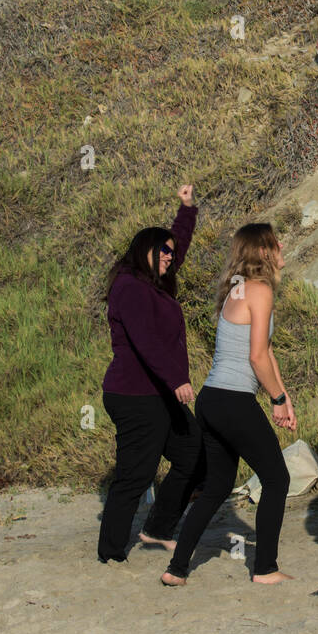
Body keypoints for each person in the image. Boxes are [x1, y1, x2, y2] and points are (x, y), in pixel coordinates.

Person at [161, 224, 296, 587]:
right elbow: (256, 357)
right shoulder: (261, 290)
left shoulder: (236, 289)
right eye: (274, 241)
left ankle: (176, 568)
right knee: (277, 478)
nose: (281, 244)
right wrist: (277, 399)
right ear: (264, 251)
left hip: (211, 400)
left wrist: (284, 397)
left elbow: (265, 351)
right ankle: (265, 568)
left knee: (219, 485)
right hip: (234, 401)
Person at [98, 184, 205, 564]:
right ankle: (110, 552)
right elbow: (145, 341)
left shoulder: (153, 284)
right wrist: (177, 378)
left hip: (158, 393)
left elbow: (178, 244)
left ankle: (157, 529)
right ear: (145, 250)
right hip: (135, 395)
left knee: (193, 452)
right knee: (135, 475)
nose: (170, 258)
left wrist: (187, 209)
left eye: (171, 254)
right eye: (163, 251)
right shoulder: (129, 287)